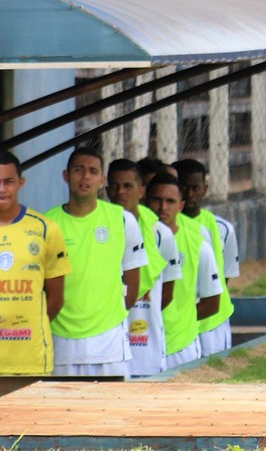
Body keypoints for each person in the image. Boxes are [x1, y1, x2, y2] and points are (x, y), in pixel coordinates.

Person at [46, 146, 148, 377]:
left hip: (109, 345)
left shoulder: (122, 220)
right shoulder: (48, 224)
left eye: (93, 171)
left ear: (102, 180)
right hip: (62, 345)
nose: (85, 177)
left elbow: (133, 286)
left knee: (111, 411)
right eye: (78, 170)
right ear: (65, 175)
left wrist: (111, 317)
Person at [107, 158, 182, 377]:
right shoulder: (98, 229)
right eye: (115, 186)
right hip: (110, 343)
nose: (121, 192)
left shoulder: (160, 233)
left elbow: (166, 295)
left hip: (147, 346)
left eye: (128, 186)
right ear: (107, 189)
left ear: (141, 191)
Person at [0, 150, 71, 375]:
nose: (1, 189)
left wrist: (30, 327)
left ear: (21, 183)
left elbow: (56, 299)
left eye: (8, 181)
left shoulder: (45, 229)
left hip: (30, 360)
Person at [146, 174, 222, 369]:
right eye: (156, 200)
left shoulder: (198, 245)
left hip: (180, 347)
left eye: (170, 201)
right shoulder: (130, 238)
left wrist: (183, 319)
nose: (163, 208)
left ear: (180, 206)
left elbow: (212, 303)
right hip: (140, 342)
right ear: (145, 200)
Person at [172, 160, 238, 356]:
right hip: (175, 323)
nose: (190, 194)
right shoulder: (161, 228)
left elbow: (223, 281)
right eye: (184, 187)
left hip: (212, 324)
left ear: (205, 189)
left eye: (195, 188)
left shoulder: (223, 229)